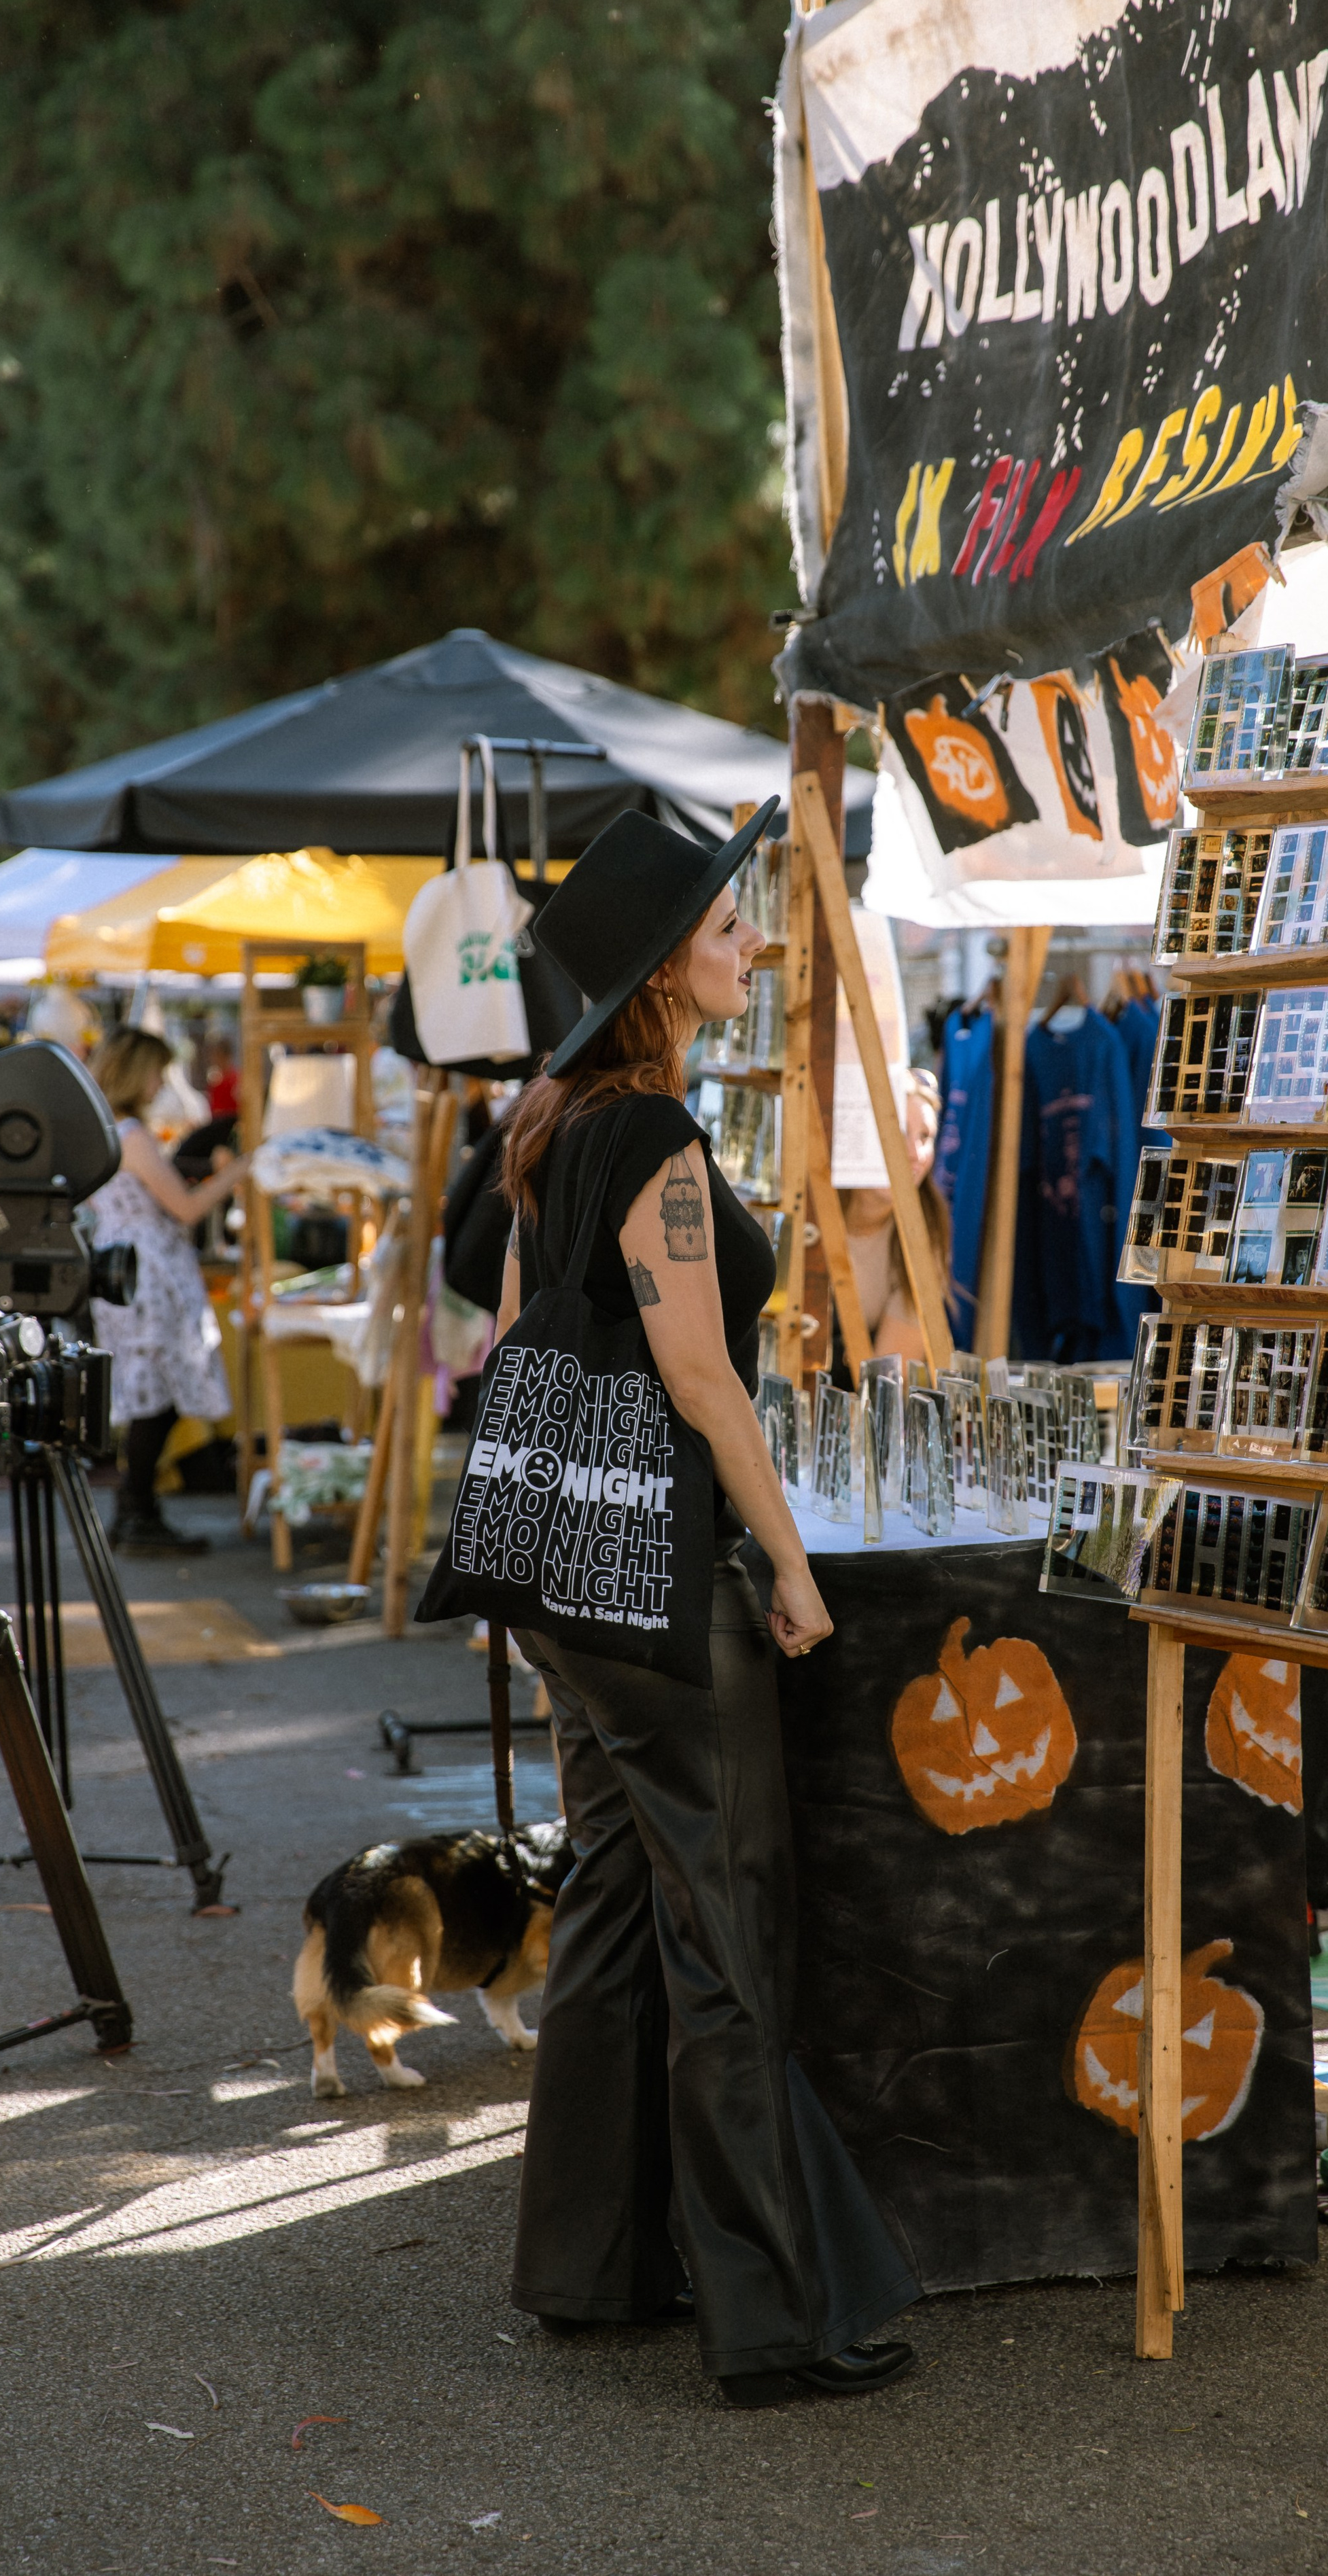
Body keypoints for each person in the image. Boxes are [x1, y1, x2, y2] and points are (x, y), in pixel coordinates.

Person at [493, 803, 919, 2410]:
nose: (755, 944)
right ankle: (782, 2312)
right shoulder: (650, 1144)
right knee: (722, 1918)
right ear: (667, 970)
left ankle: (591, 2261)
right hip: (658, 1568)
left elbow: (542, 1334)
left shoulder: (555, 1127)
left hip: (568, 1562)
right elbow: (688, 1368)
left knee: (615, 1894)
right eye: (732, 928)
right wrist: (788, 1557)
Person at [87, 1025, 247, 1557]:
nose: (161, 1082)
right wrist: (241, 1171)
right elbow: (187, 1208)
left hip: (124, 1268)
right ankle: (137, 1510)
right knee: (157, 1396)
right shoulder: (131, 1133)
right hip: (150, 1271)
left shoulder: (105, 1130)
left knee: (149, 1393)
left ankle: (137, 1510)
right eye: (157, 1070)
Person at [835, 1068, 949, 1372]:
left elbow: (887, 1383)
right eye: (898, 1132)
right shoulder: (807, 1203)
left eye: (925, 1137)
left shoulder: (922, 1233)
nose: (914, 1153)